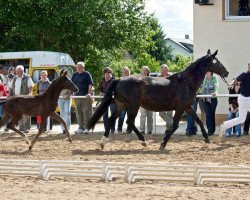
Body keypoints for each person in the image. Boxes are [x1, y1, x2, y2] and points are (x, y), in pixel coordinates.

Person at [221, 63, 250, 137]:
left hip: (247, 99)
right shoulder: (244, 75)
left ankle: (225, 125)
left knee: (241, 119)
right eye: (249, 67)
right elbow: (235, 80)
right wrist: (232, 83)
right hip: (244, 99)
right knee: (241, 118)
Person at [10, 65, 34, 133]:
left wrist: (30, 93)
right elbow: (12, 87)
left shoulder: (27, 77)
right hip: (16, 99)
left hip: (25, 98)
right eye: (17, 72)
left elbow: (31, 86)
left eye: (20, 71)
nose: (18, 73)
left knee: (26, 113)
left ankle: (27, 128)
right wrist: (10, 95)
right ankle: (21, 127)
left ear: (23, 71)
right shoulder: (14, 78)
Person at [72, 62, 93, 134]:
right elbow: (72, 85)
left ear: (83, 67)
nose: (78, 68)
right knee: (78, 112)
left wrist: (89, 93)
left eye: (80, 67)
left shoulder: (87, 74)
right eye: (77, 67)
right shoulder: (74, 75)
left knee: (86, 112)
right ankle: (81, 127)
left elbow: (90, 84)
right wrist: (71, 93)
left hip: (85, 97)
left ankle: (88, 127)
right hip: (77, 97)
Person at [99, 67, 116, 134]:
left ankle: (112, 129)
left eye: (108, 73)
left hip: (112, 100)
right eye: (106, 74)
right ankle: (106, 129)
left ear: (111, 73)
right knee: (105, 114)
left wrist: (110, 93)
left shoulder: (114, 80)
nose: (107, 75)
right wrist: (101, 92)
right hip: (104, 100)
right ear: (104, 74)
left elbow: (116, 90)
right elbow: (100, 88)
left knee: (113, 114)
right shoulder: (102, 80)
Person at [202, 71, 219, 136]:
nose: (206, 73)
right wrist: (202, 95)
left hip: (213, 99)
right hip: (205, 99)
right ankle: (209, 130)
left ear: (210, 73)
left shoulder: (214, 78)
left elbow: (216, 86)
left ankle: (212, 130)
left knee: (212, 114)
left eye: (207, 72)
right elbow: (203, 87)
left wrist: (215, 92)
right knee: (208, 115)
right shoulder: (205, 78)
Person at [157, 64, 173, 130]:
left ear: (167, 70)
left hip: (170, 98)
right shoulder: (158, 77)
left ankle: (168, 129)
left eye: (164, 70)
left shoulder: (171, 76)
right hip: (162, 98)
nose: (162, 71)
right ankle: (173, 122)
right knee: (161, 113)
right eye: (161, 70)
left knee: (169, 114)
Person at [117, 67, 132, 134]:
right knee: (121, 116)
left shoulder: (132, 80)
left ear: (129, 72)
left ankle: (129, 130)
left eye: (126, 72)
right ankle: (119, 129)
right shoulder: (119, 80)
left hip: (131, 102)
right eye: (124, 72)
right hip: (122, 102)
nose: (125, 73)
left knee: (130, 116)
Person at [139, 66, 153, 135]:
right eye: (143, 70)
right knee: (143, 115)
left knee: (150, 116)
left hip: (150, 100)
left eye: (145, 70)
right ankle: (142, 130)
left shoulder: (151, 79)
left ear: (148, 72)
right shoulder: (138, 79)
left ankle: (150, 130)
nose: (144, 72)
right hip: (141, 100)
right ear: (141, 71)